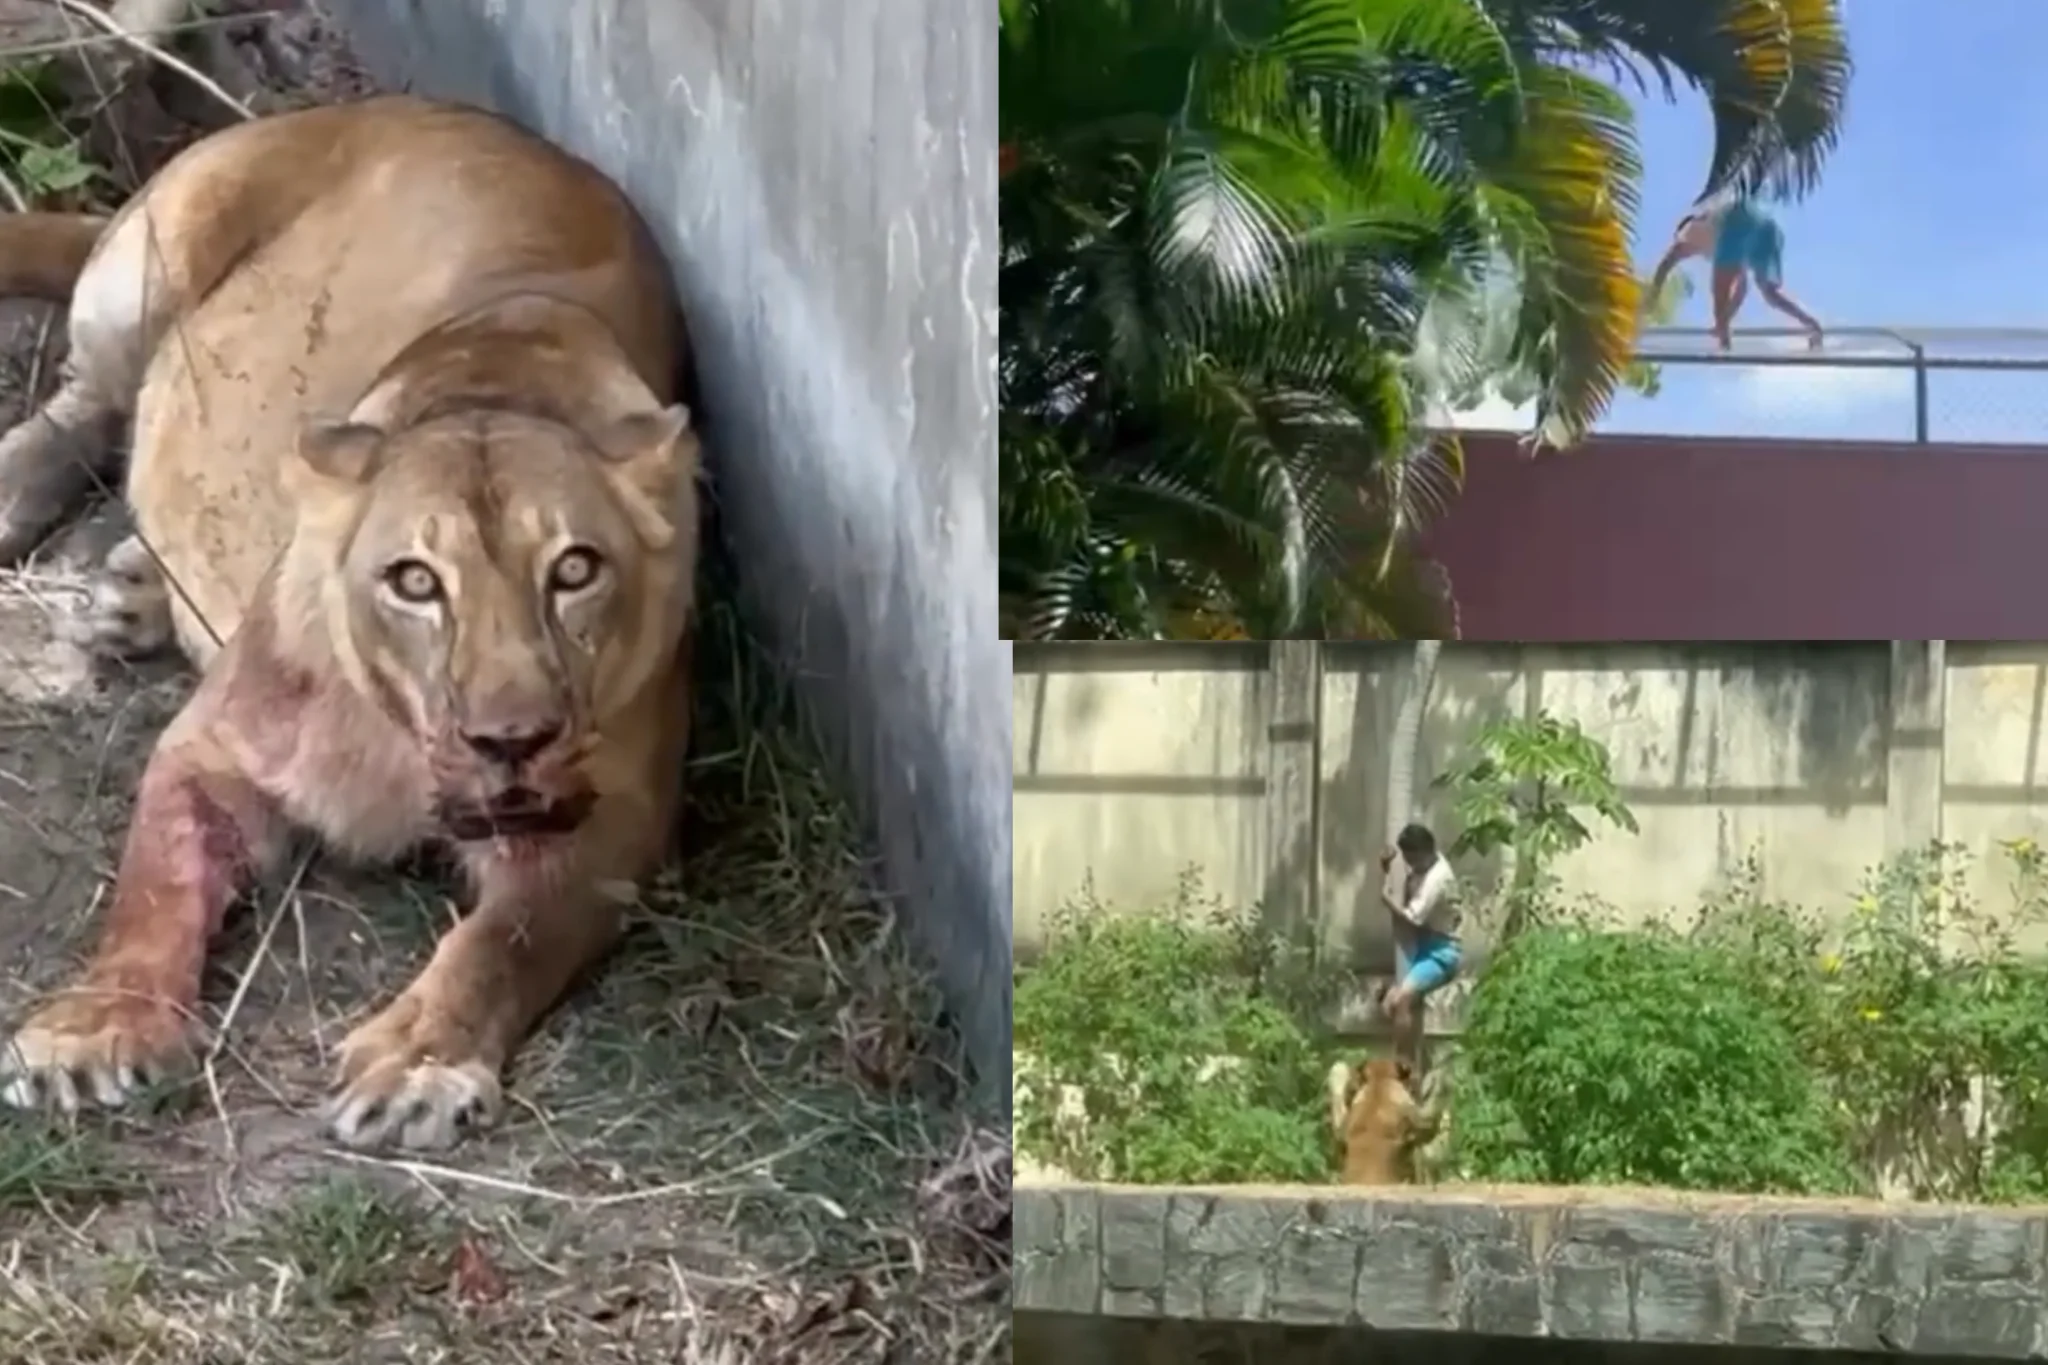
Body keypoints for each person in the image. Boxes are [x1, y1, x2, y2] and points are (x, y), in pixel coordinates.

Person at [1645, 194, 1823, 354]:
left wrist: (1653, 296)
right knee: (1770, 294)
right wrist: (1724, 320)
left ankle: (1724, 342)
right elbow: (1741, 289)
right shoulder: (1723, 243)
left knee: (1719, 289)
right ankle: (1812, 325)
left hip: (1738, 220)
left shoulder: (1690, 231)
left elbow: (1666, 264)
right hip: (1768, 229)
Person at [1377, 822, 1461, 1073]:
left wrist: (1386, 901)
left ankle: (1404, 1065)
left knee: (1402, 1000)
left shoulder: (1438, 879)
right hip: (1421, 943)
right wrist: (1385, 870)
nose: (1411, 866)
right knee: (1389, 1005)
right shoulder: (1428, 864)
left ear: (1425, 852)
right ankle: (1413, 1058)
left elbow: (1412, 916)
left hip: (1443, 951)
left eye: (1412, 860)